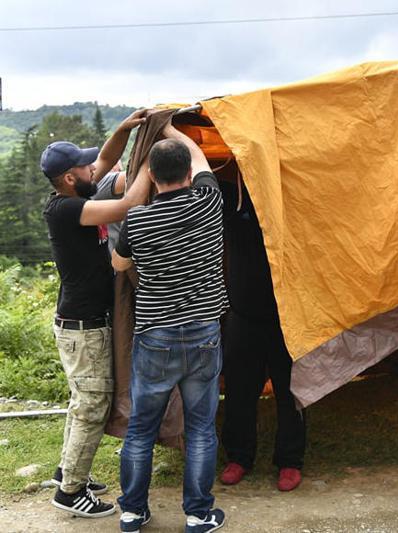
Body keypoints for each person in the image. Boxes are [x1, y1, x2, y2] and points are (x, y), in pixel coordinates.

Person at [112, 124, 228, 533]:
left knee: (141, 429)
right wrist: (170, 128)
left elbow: (120, 265)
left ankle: (132, 512)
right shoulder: (208, 202)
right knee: (200, 428)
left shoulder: (137, 220)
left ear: (153, 176)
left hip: (155, 337)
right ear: (186, 173)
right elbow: (198, 158)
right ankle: (198, 515)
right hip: (203, 333)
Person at [42, 109, 149, 518]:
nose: (96, 169)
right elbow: (129, 204)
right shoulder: (68, 211)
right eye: (85, 167)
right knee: (91, 404)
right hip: (83, 327)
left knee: (82, 401)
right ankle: (70, 492)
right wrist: (152, 166)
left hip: (79, 322)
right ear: (70, 177)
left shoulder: (73, 194)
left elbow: (104, 160)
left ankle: (67, 471)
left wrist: (124, 128)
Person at [218, 179, 307, 492]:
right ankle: (239, 457)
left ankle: (290, 461)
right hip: (243, 315)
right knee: (240, 393)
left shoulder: (290, 197)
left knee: (291, 393)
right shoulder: (232, 196)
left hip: (287, 318)